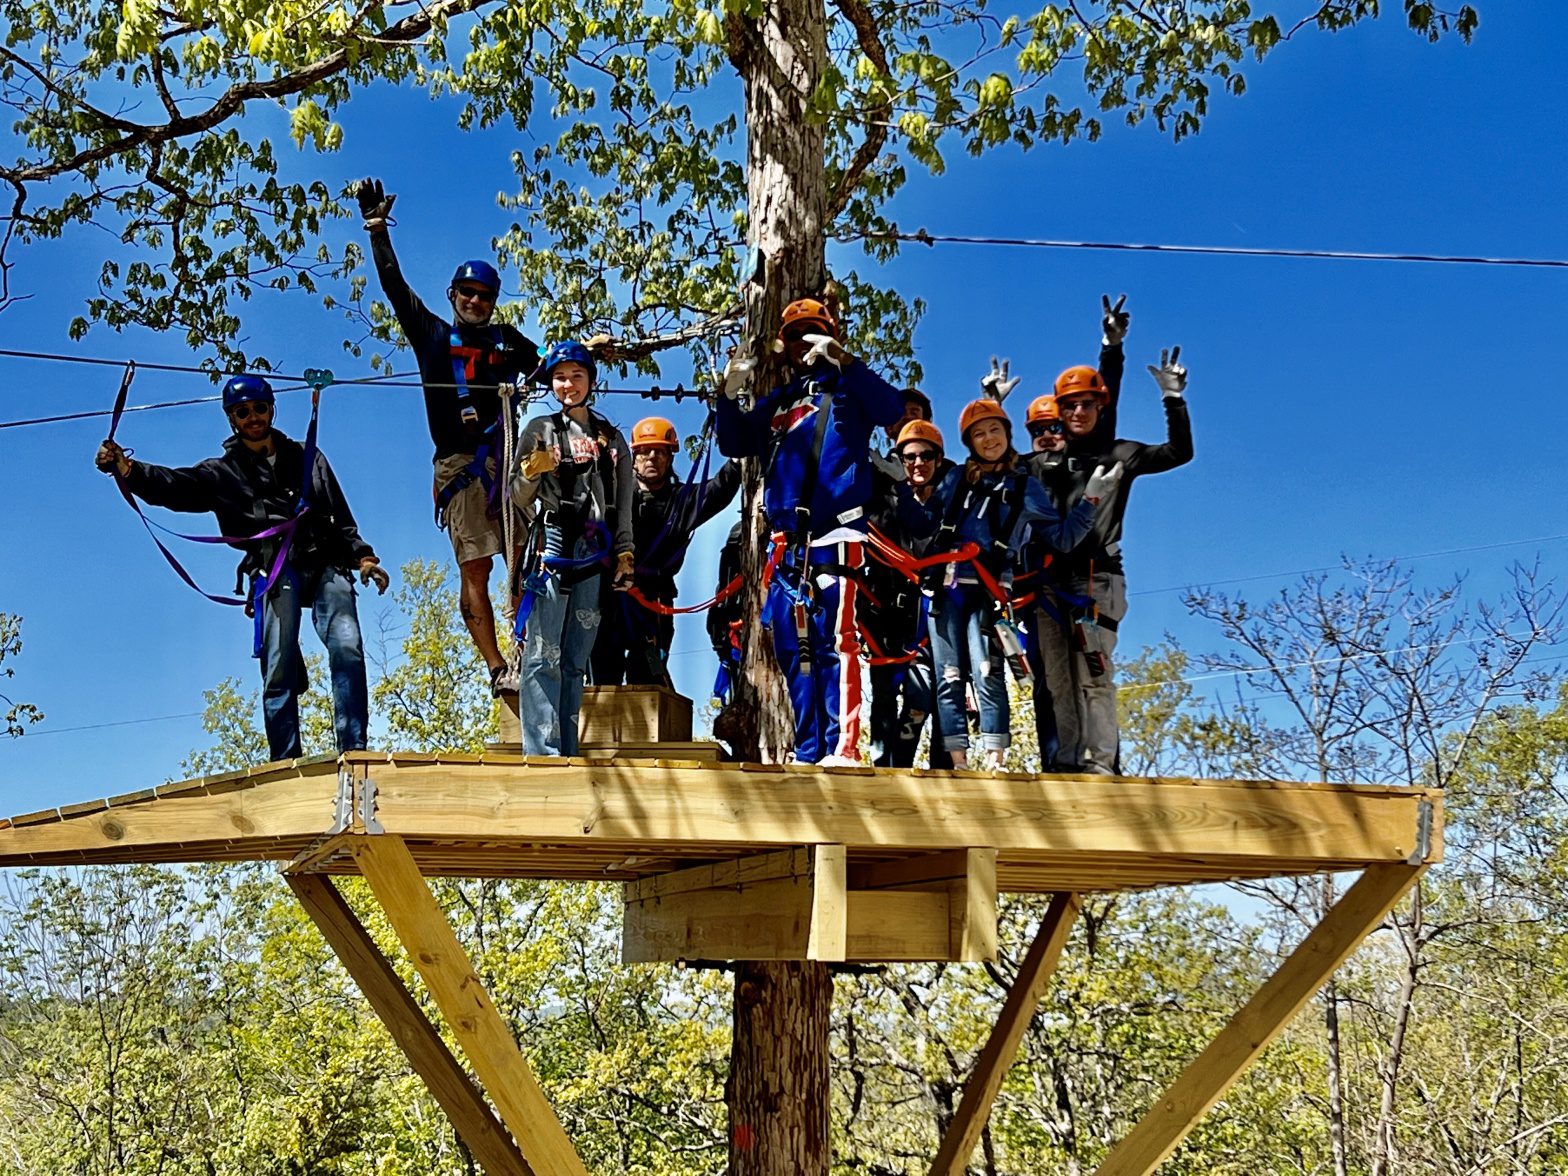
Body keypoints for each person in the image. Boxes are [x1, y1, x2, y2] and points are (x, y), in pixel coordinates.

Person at [94, 375, 390, 761]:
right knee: (278, 665)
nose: (252, 417)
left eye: (259, 408)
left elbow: (341, 516)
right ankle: (286, 761)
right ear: (231, 418)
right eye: (242, 411)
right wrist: (127, 468)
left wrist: (363, 557)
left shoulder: (308, 456)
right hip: (273, 567)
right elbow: (175, 486)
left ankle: (354, 749)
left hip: (325, 561)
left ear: (272, 410)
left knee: (347, 646)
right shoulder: (222, 472)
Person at [354, 177, 541, 696]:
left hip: (508, 463)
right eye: (468, 293)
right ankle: (497, 666)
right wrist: (377, 231)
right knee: (477, 565)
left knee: (525, 557)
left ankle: (533, 649)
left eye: (485, 296)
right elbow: (395, 288)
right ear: (452, 295)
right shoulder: (434, 337)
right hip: (462, 466)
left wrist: (583, 357)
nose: (476, 302)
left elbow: (549, 369)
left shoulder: (508, 342)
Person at [715, 296, 904, 765]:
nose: (804, 342)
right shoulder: (780, 401)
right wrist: (727, 394)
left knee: (832, 643)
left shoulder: (849, 388)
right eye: (795, 334)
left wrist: (845, 360)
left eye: (812, 331)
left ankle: (843, 748)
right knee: (791, 648)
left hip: (836, 535)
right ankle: (808, 749)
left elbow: (892, 408)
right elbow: (735, 440)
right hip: (786, 547)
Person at [918, 396, 1120, 770]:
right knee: (948, 675)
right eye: (979, 434)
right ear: (970, 443)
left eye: (995, 430)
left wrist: (1092, 499)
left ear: (1008, 435)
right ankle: (958, 760)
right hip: (947, 585)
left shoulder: (1025, 486)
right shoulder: (955, 479)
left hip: (990, 587)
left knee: (987, 670)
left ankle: (995, 758)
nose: (989, 439)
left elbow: (1061, 537)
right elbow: (923, 521)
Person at [1034, 346, 1194, 774]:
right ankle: (1067, 763)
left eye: (1087, 403)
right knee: (1058, 682)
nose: (1078, 412)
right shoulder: (1048, 463)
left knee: (1094, 677)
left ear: (1100, 405)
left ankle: (1100, 765)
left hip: (1096, 580)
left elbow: (1179, 453)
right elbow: (993, 465)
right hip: (1050, 583)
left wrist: (1172, 399)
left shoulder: (1119, 456)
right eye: (1069, 405)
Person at [511, 341, 635, 756]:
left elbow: (624, 500)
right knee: (543, 651)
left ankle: (567, 748)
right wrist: (531, 472)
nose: (568, 385)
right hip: (554, 541)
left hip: (594, 548)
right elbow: (518, 497)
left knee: (575, 657)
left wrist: (624, 551)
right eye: (560, 377)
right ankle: (542, 752)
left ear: (590, 382)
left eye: (576, 376)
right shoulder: (539, 430)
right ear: (551, 383)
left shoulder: (611, 438)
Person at [591, 416, 741, 687]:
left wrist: (740, 454)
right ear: (633, 457)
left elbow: (721, 489)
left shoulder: (682, 502)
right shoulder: (614, 497)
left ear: (670, 458)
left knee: (647, 678)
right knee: (604, 678)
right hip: (610, 599)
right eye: (645, 452)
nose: (652, 458)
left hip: (653, 602)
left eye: (660, 452)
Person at [864, 419, 956, 768]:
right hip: (887, 611)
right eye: (910, 457)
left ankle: (941, 770)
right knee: (885, 696)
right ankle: (887, 768)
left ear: (938, 459)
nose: (919, 464)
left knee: (926, 698)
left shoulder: (949, 498)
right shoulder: (883, 497)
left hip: (934, 612)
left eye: (927, 456)